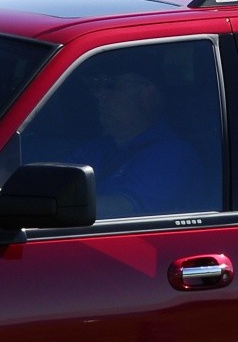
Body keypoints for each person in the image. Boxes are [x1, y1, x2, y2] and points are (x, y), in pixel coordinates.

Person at [71, 50, 207, 219]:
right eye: (97, 86)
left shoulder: (173, 155)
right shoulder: (97, 148)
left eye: (112, 85)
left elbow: (123, 210)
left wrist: (60, 206)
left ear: (147, 93)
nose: (100, 94)